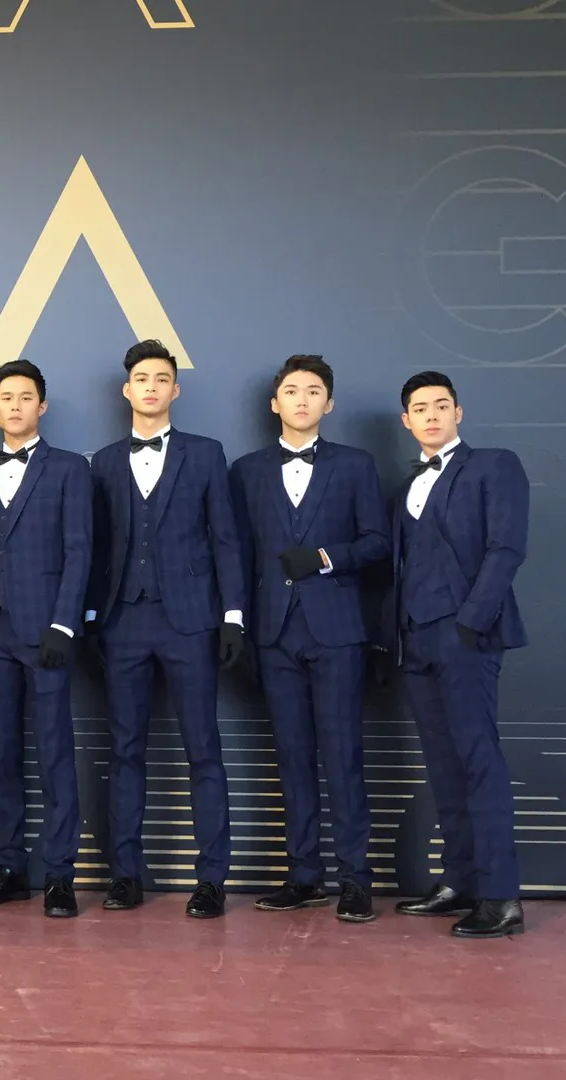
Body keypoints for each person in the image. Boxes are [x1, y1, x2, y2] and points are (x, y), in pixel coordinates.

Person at [85, 339, 246, 919]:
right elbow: (95, 547)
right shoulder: (103, 462)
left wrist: (232, 615)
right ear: (126, 390)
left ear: (175, 390)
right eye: (141, 379)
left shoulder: (206, 454)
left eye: (161, 379)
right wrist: (90, 618)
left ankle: (212, 879)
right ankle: (125, 875)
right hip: (123, 620)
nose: (150, 387)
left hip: (191, 620)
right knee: (124, 750)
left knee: (203, 750)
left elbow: (226, 538)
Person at [228, 355, 388, 924]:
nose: (302, 399)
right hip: (273, 632)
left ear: (329, 403)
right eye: (292, 391)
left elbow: (378, 542)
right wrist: (240, 625)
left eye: (313, 390)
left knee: (343, 756)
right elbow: (237, 553)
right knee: (291, 758)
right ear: (274, 403)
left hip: (338, 631)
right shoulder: (245, 470)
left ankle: (356, 880)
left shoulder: (356, 464)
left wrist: (323, 557)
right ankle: (303, 875)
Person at [383, 372, 528, 938]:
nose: (431, 415)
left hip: (466, 634)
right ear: (407, 421)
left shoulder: (495, 464)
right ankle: (461, 880)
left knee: (478, 760)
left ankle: (500, 895)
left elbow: (506, 547)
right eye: (420, 408)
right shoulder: (407, 486)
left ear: (458, 413)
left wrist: (471, 621)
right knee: (443, 766)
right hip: (416, 639)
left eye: (441, 405)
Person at [0, 360, 91, 918]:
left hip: (46, 632)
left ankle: (60, 874)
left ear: (43, 406)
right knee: (2, 752)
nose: (15, 406)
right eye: (6, 398)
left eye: (26, 397)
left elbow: (80, 549)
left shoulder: (69, 469)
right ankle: (9, 868)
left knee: (55, 750)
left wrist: (64, 623)